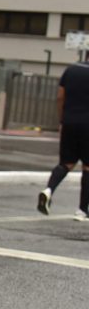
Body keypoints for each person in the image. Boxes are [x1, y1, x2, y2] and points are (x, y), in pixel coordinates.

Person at [37, 59, 89, 221]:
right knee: (87, 167)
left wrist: (62, 119)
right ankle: (82, 210)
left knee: (66, 163)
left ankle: (49, 190)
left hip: (69, 123)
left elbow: (60, 97)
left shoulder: (71, 70)